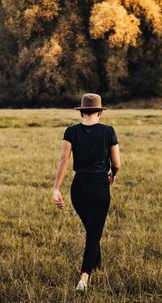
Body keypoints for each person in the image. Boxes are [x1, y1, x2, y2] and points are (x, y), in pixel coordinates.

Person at [52, 93, 122, 292]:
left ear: (82, 112)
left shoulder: (71, 131)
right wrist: (113, 175)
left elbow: (64, 160)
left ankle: (97, 264)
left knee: (92, 229)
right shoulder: (109, 131)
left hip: (78, 189)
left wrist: (56, 188)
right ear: (99, 112)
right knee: (93, 234)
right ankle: (84, 278)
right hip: (99, 187)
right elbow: (116, 163)